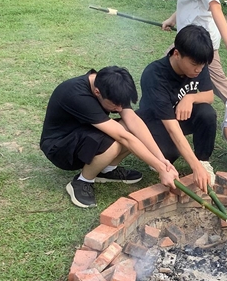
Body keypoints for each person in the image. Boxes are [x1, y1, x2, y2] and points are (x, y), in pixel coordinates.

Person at [40, 66, 178, 208]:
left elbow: (134, 122)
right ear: (97, 92)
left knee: (131, 128)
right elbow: (124, 138)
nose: (119, 109)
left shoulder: (112, 86)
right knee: (113, 142)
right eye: (115, 105)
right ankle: (82, 181)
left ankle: (106, 170)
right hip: (61, 148)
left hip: (85, 134)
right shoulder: (76, 94)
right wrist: (160, 168)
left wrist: (162, 160)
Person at [137, 24, 216, 193]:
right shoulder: (155, 75)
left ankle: (203, 161)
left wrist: (190, 98)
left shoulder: (198, 63)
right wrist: (194, 167)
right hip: (156, 123)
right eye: (194, 64)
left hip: (178, 117)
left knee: (207, 113)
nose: (198, 70)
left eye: (202, 65)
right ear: (177, 54)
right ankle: (158, 154)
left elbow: (209, 96)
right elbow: (172, 128)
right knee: (171, 152)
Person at [162, 0, 227, 102]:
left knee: (219, 84)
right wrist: (172, 19)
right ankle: (170, 102)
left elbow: (215, 6)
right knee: (165, 66)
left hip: (202, 41)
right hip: (187, 38)